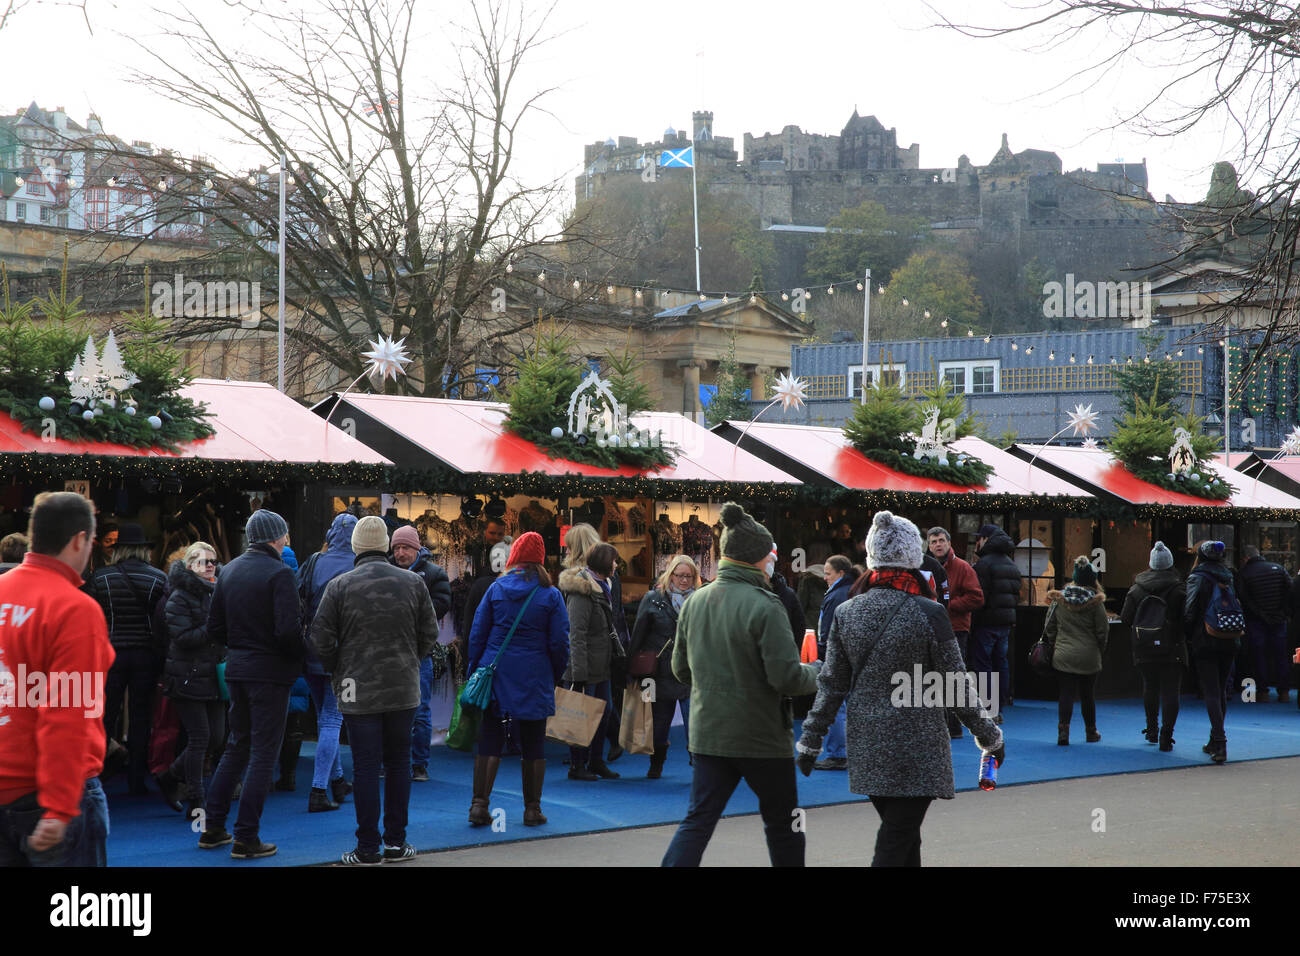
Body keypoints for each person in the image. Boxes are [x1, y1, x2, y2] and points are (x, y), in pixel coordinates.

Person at [796, 511, 1003, 867]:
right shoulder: (931, 612)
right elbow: (954, 683)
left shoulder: (847, 611)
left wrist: (811, 738)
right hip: (917, 746)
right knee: (896, 840)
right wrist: (990, 737)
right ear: (913, 557)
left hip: (868, 744)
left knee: (904, 836)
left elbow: (831, 684)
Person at [661, 503, 818, 867]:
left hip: (708, 733)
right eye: (771, 556)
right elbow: (787, 678)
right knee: (783, 824)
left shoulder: (696, 601)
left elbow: (681, 670)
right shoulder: (767, 605)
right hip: (761, 736)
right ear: (758, 558)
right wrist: (818, 672)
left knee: (697, 820)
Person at [312, 516, 438, 864]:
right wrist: (409, 658)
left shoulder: (340, 586)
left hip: (355, 687)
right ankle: (396, 842)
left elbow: (320, 639)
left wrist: (340, 666)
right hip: (403, 685)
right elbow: (429, 635)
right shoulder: (413, 583)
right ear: (384, 545)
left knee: (365, 766)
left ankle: (367, 847)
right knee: (399, 763)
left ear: (355, 546)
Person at [0, 492, 114, 866]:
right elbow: (67, 714)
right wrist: (60, 806)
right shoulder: (74, 609)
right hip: (49, 798)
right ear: (80, 539)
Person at [198, 509, 304, 859]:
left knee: (236, 745)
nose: (287, 540)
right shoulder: (280, 574)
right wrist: (294, 656)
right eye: (285, 534)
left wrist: (240, 646)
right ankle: (246, 836)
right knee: (262, 753)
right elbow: (289, 631)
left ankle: (213, 828)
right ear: (276, 537)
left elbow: (214, 628)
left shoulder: (228, 571)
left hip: (238, 669)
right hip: (269, 673)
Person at [466, 532, 569, 827]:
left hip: (496, 670)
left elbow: (478, 634)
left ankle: (479, 805)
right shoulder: (550, 594)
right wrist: (555, 673)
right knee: (534, 740)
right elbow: (560, 642)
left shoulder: (496, 588)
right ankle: (532, 809)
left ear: (513, 558)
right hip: (534, 673)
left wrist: (476, 670)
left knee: (490, 736)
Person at [87, 523, 168, 797]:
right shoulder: (158, 578)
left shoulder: (101, 578)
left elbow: (92, 618)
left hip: (111, 654)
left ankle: (96, 776)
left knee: (106, 716)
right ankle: (136, 779)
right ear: (143, 550)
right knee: (140, 716)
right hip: (145, 654)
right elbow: (162, 620)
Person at [297, 514, 358, 812]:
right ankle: (319, 789)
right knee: (334, 719)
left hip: (310, 650)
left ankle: (336, 781)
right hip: (342, 654)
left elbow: (299, 599)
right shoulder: (359, 566)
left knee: (325, 718)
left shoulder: (313, 562)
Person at [159, 542, 224, 821]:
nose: (209, 565)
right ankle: (197, 801)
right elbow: (183, 637)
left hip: (215, 676)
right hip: (187, 677)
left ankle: (169, 777)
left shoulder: (219, 591)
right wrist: (214, 627)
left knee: (217, 737)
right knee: (200, 738)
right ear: (189, 565)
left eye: (212, 560)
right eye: (202, 561)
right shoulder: (178, 597)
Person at [389, 525, 451, 782]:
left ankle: (419, 764)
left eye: (405, 548)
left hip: (419, 651)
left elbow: (442, 604)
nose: (401, 553)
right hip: (391, 651)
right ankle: (391, 760)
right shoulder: (387, 570)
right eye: (397, 548)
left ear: (416, 549)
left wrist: (412, 611)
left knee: (421, 710)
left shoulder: (434, 573)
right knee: (391, 708)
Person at [628, 555, 699, 778]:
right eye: (680, 576)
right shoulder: (653, 599)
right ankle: (656, 763)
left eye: (689, 576)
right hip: (658, 674)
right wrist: (631, 671)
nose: (684, 580)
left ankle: (697, 766)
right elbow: (638, 635)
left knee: (694, 726)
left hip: (690, 673)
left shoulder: (700, 601)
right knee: (658, 728)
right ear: (671, 575)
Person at [560, 542, 625, 780]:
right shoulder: (582, 591)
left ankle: (596, 761)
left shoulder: (602, 586)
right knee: (581, 716)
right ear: (604, 564)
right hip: (585, 668)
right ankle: (577, 765)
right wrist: (578, 673)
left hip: (601, 665)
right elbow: (575, 633)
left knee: (603, 713)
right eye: (614, 561)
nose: (617, 565)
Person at [1120, 541, 1186, 751]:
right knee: (1170, 691)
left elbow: (1125, 618)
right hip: (1172, 646)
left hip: (1144, 646)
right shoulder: (1178, 588)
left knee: (1150, 686)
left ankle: (1151, 729)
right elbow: (1187, 617)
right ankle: (1167, 734)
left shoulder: (1136, 589)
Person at [1184, 540, 1241, 763]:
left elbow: (1189, 610)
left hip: (1205, 638)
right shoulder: (1228, 576)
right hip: (1229, 637)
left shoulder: (1197, 577)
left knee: (1210, 691)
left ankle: (1220, 741)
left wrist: (1188, 635)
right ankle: (1214, 740)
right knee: (1220, 689)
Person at [1045, 557, 1109, 746]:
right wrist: (1100, 650)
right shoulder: (1097, 604)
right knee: (1088, 695)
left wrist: (1056, 643)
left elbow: (1050, 626)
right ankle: (1091, 731)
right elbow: (1103, 631)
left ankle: (1063, 731)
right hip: (1089, 655)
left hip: (1063, 654)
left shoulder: (1059, 600)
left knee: (1066, 693)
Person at [927, 527, 983, 739]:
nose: (938, 545)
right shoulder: (925, 566)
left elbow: (977, 598)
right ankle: (941, 723)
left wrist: (947, 606)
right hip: (931, 628)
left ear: (949, 543)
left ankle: (956, 725)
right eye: (933, 542)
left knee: (954, 677)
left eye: (941, 540)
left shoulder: (963, 567)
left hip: (956, 628)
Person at [970, 524, 1021, 721]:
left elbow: (980, 598)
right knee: (1001, 663)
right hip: (1005, 623)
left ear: (985, 539)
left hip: (986, 622)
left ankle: (989, 708)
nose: (977, 542)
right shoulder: (1011, 563)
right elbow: (1015, 595)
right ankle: (1000, 705)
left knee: (983, 664)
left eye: (979, 538)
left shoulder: (983, 565)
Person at [1236, 544, 1292, 703]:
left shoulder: (1244, 573)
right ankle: (1284, 691)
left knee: (1258, 655)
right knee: (1281, 655)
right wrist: (1283, 612)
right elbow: (1289, 590)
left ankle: (1262, 691)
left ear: (1246, 558)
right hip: (1279, 619)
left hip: (1257, 620)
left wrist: (1260, 614)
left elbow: (1244, 599)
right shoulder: (1279, 568)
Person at [813, 555, 854, 770]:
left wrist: (821, 654)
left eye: (828, 573)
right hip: (849, 656)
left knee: (836, 706)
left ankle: (838, 753)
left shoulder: (837, 595)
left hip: (837, 656)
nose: (824, 577)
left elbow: (828, 631)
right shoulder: (850, 591)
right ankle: (843, 751)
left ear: (840, 574)